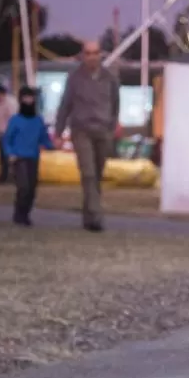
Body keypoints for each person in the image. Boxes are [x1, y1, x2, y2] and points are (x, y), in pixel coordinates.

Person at [53, 39, 121, 233]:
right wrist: (58, 132)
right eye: (88, 53)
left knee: (96, 175)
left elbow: (116, 103)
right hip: (81, 130)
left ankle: (88, 217)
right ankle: (96, 215)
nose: (92, 57)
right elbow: (65, 105)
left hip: (103, 131)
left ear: (101, 54)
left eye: (95, 52)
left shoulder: (110, 78)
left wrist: (112, 125)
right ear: (83, 55)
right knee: (88, 173)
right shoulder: (74, 78)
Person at [3, 86, 54, 227]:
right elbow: (7, 139)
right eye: (25, 98)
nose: (28, 100)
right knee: (23, 187)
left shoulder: (38, 120)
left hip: (33, 157)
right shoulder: (15, 120)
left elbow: (44, 138)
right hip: (19, 158)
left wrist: (51, 145)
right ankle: (18, 214)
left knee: (31, 188)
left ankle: (25, 214)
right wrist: (10, 153)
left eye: (30, 97)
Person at [0, 85, 18, 183]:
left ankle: (8, 177)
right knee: (2, 157)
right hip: (1, 134)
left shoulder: (10, 103)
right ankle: (4, 176)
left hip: (8, 134)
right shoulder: (0, 104)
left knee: (7, 157)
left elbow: (13, 118)